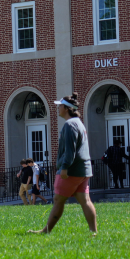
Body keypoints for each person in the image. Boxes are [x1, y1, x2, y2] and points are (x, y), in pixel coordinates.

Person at [31, 93, 96, 235]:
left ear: (66, 108)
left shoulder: (69, 125)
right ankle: (93, 231)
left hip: (71, 170)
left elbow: (70, 150)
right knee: (85, 200)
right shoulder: (79, 123)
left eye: (60, 106)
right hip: (84, 170)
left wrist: (65, 167)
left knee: (58, 199)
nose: (58, 108)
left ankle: (45, 231)